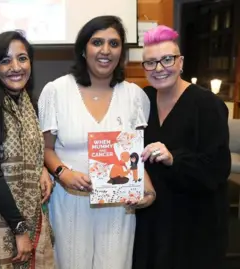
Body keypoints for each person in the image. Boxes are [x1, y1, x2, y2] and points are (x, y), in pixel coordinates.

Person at [37, 16, 156, 269]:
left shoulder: (134, 96)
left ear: (121, 51)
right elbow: (46, 148)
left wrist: (149, 191)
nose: (105, 50)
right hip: (70, 201)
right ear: (83, 49)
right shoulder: (56, 91)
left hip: (118, 206)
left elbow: (134, 155)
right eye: (97, 42)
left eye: (113, 43)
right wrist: (62, 173)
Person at [133, 25, 231, 269]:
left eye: (167, 59)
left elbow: (218, 169)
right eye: (151, 62)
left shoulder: (208, 105)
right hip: (152, 218)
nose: (159, 68)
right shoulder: (142, 100)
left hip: (194, 221)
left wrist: (173, 158)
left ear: (181, 62)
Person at [0, 31, 55, 268]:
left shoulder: (28, 105)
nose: (15, 67)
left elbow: (34, 152)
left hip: (33, 216)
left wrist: (41, 169)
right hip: (0, 222)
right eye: (5, 60)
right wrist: (19, 230)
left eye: (22, 58)